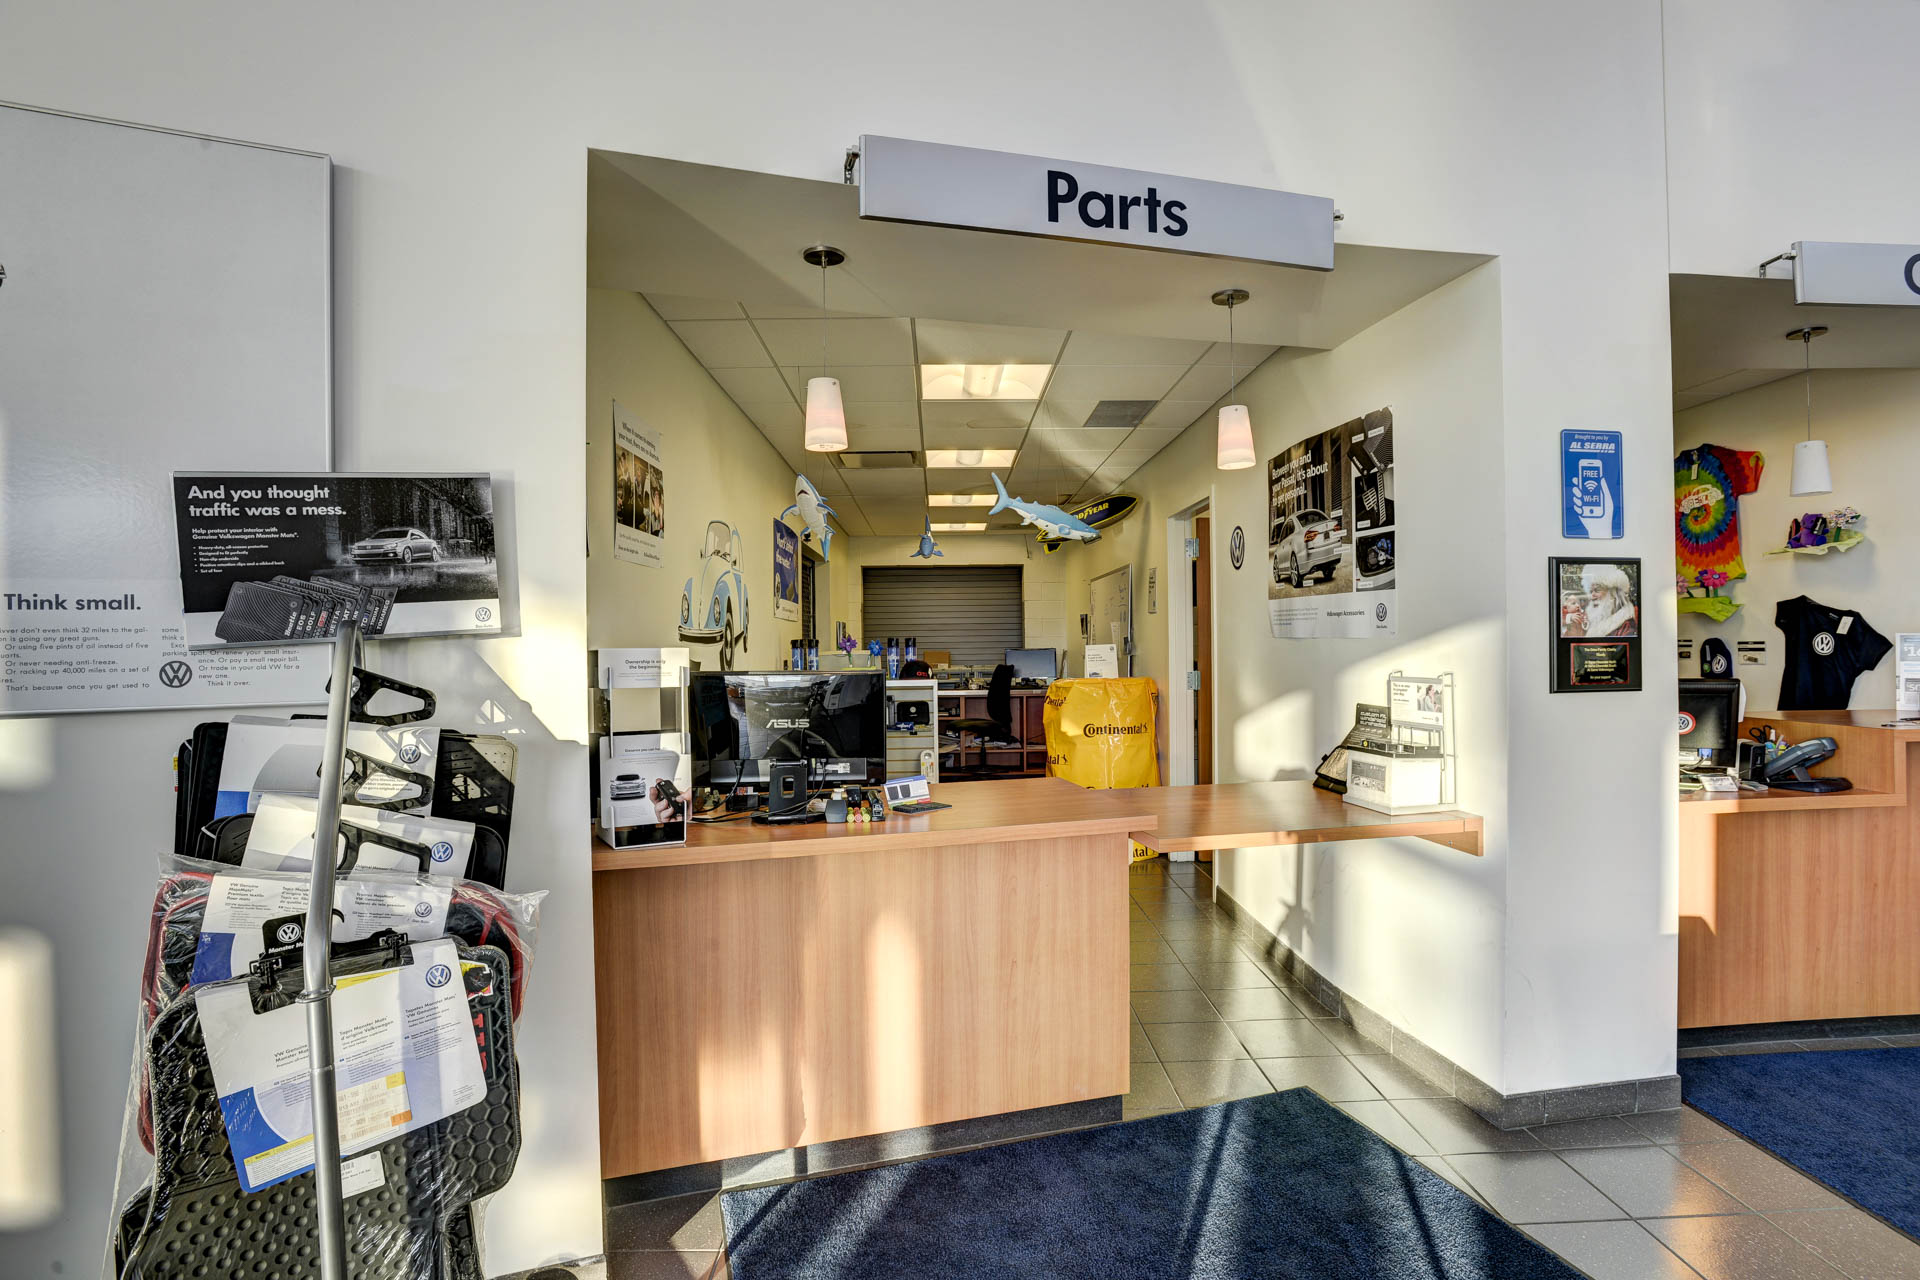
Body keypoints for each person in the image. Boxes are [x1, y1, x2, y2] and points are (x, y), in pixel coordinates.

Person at [1578, 564, 1638, 638]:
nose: (1592, 597)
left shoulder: (1626, 625)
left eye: (1597, 590)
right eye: (1591, 591)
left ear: (1612, 594)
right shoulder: (1591, 620)